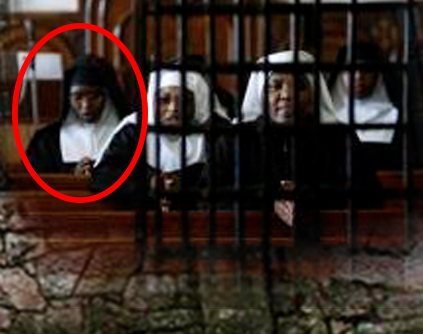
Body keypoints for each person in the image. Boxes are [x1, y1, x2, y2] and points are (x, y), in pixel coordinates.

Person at [233, 50, 380, 239]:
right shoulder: (235, 140)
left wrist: (307, 195)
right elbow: (209, 199)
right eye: (276, 86)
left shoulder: (340, 139)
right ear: (261, 93)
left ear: (314, 93)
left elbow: (370, 195)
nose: (287, 95)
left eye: (299, 86)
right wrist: (268, 198)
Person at [91, 60, 231, 209]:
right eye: (164, 100)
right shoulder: (134, 130)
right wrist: (149, 183)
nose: (173, 108)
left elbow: (230, 184)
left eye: (183, 101)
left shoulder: (216, 134)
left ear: (197, 104)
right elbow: (102, 176)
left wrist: (185, 186)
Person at [25, 56, 129, 177]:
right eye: (78, 97)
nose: (86, 105)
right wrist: (72, 179)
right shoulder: (46, 142)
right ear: (68, 99)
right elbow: (34, 187)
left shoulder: (128, 138)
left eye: (94, 97)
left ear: (108, 97)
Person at [331, 41, 403, 169]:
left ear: (378, 75)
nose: (359, 76)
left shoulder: (397, 119)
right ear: (340, 75)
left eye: (367, 70)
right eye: (350, 70)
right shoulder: (326, 120)